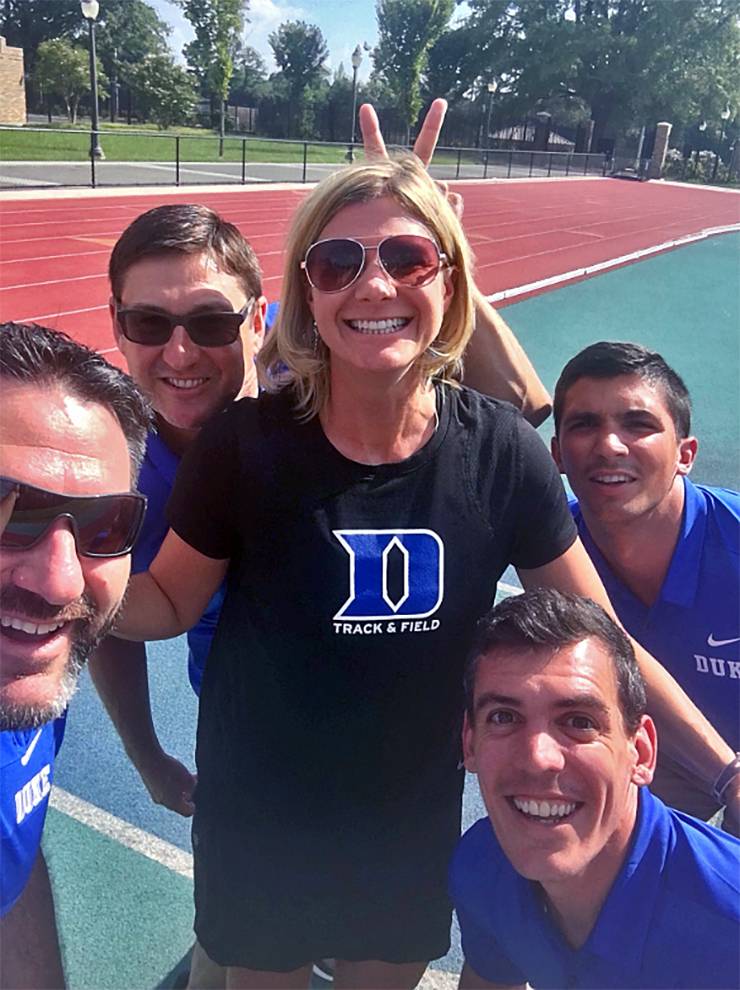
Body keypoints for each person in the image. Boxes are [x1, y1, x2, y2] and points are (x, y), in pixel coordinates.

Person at [111, 154, 739, 989]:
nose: (373, 287)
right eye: (339, 263)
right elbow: (164, 602)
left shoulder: (502, 452)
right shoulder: (245, 445)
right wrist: (46, 560)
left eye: (407, 259)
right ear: (307, 293)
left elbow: (606, 638)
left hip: (407, 823)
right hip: (259, 818)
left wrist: (729, 770)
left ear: (450, 285)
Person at [451, 587, 740, 989]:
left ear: (640, 752)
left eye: (580, 722)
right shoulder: (484, 867)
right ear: (470, 744)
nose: (538, 757)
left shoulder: (729, 922)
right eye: (503, 717)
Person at [0, 321, 150, 989]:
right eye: (7, 509)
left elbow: (13, 853)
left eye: (104, 525)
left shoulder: (30, 676)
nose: (60, 581)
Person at [551, 341, 740, 826]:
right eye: (585, 424)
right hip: (648, 774)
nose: (609, 445)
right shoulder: (550, 562)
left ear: (686, 454)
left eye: (638, 425)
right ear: (557, 454)